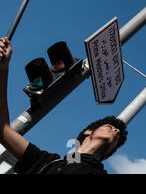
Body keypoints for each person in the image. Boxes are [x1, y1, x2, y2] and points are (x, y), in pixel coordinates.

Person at [0, 38, 128, 174]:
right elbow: (3, 129)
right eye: (110, 127)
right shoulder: (46, 161)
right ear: (88, 131)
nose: (116, 132)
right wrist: (3, 68)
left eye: (117, 137)